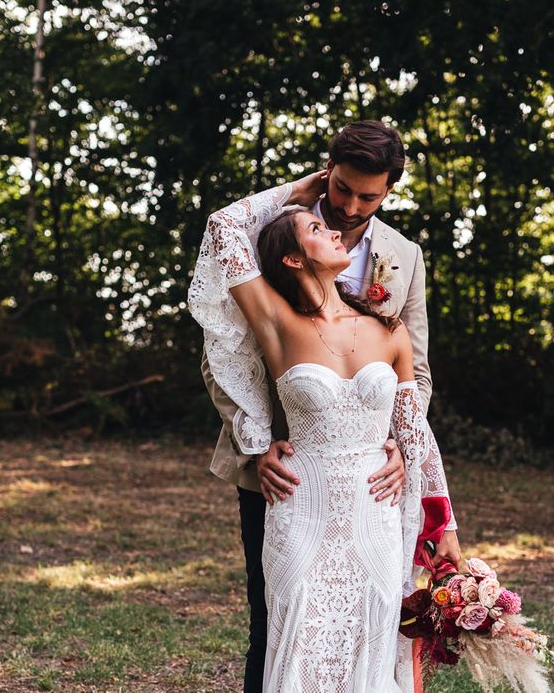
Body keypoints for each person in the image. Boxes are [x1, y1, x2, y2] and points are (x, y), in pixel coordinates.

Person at [189, 121, 459, 691]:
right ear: (327, 173)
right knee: (277, 626)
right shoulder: (278, 239)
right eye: (341, 190)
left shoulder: (402, 263)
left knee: (374, 628)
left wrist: (404, 459)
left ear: (387, 192)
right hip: (286, 475)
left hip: (373, 489)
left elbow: (416, 386)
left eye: (370, 196)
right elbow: (226, 359)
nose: (350, 207)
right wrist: (257, 442)